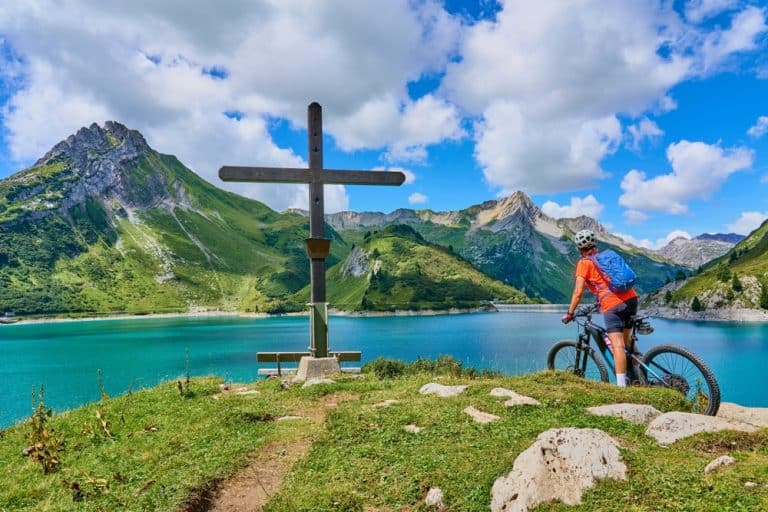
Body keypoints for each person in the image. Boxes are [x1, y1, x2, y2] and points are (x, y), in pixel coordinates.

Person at [561, 229, 638, 387]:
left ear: (579, 248)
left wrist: (570, 313)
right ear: (595, 244)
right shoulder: (607, 256)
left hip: (612, 304)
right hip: (631, 298)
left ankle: (621, 387)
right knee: (627, 341)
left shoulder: (584, 263)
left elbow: (578, 291)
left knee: (617, 346)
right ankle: (639, 374)